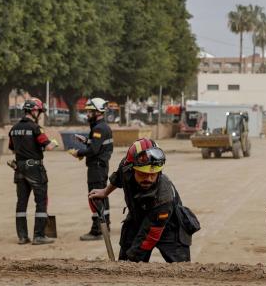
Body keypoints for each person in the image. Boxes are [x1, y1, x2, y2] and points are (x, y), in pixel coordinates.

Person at [88, 138, 194, 262]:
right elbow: (118, 178)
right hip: (137, 215)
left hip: (169, 224)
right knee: (125, 259)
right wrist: (105, 192)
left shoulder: (164, 198)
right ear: (132, 168)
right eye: (143, 174)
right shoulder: (126, 165)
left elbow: (149, 237)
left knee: (180, 268)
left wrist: (133, 259)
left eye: (153, 174)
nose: (148, 178)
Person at [8, 98, 58, 245]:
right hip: (35, 169)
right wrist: (54, 143)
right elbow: (47, 146)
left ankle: (22, 237)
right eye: (39, 112)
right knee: (41, 201)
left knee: (21, 203)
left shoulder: (14, 129)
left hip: (19, 169)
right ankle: (39, 236)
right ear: (34, 111)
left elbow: (12, 148)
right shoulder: (36, 128)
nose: (39, 115)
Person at [69, 98, 113, 241]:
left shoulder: (98, 128)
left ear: (97, 112)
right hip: (101, 166)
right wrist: (86, 141)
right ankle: (105, 226)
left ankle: (97, 231)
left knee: (94, 197)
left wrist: (79, 153)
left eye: (89, 111)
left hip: (97, 167)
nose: (87, 114)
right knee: (101, 195)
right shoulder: (102, 127)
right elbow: (97, 145)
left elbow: (94, 150)